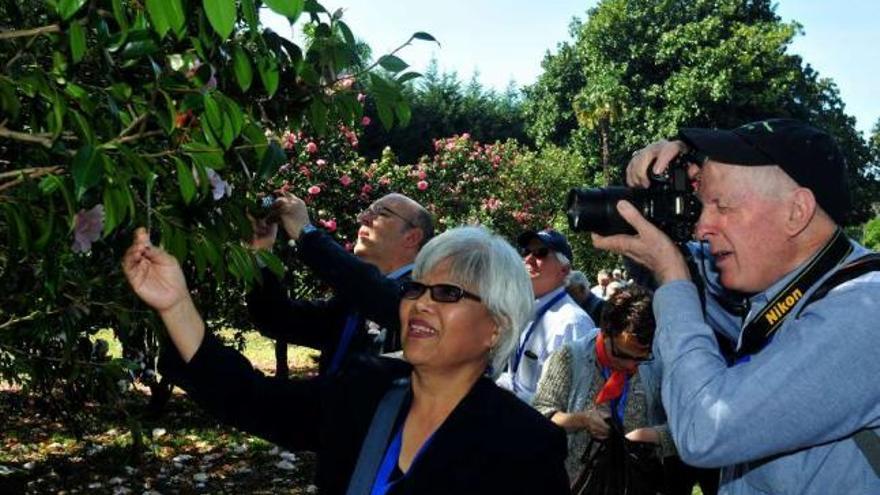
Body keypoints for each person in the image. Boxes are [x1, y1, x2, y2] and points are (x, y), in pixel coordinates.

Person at [123, 226, 570, 494]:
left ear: (496, 325)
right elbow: (249, 398)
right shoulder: (366, 389)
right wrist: (176, 304)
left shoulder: (524, 443)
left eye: (448, 293)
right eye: (415, 288)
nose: (420, 304)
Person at [592, 118, 880, 494]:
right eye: (700, 204)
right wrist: (655, 186)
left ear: (797, 211)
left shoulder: (863, 310)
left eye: (721, 205)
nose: (701, 226)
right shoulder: (775, 291)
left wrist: (674, 278)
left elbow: (705, 428)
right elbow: (656, 266)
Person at [247, 193, 433, 375]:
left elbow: (378, 294)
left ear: (412, 237)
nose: (363, 218)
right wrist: (262, 252)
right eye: (367, 211)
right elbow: (275, 318)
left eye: (382, 213)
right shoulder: (352, 304)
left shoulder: (424, 297)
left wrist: (306, 233)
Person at [533, 285, 675, 483]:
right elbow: (539, 416)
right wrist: (582, 420)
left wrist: (655, 436)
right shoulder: (569, 358)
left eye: (641, 358)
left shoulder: (660, 362)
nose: (630, 365)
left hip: (636, 483)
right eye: (622, 355)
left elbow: (688, 429)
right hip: (575, 483)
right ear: (605, 332)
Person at [496, 229, 594, 403]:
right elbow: (516, 380)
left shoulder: (572, 322)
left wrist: (514, 398)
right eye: (526, 251)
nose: (528, 259)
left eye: (540, 253)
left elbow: (573, 401)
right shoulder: (525, 310)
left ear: (564, 270)